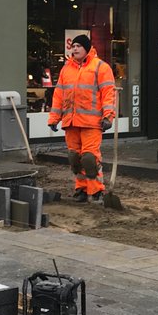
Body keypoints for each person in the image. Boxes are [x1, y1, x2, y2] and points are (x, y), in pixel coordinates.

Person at [48, 34, 116, 204]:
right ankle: (81, 189)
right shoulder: (66, 69)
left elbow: (108, 93)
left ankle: (96, 191)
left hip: (91, 123)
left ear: (87, 48)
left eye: (79, 46)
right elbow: (59, 96)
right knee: (74, 159)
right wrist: (54, 118)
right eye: (73, 46)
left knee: (89, 159)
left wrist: (108, 116)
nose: (75, 49)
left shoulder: (101, 67)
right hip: (71, 122)